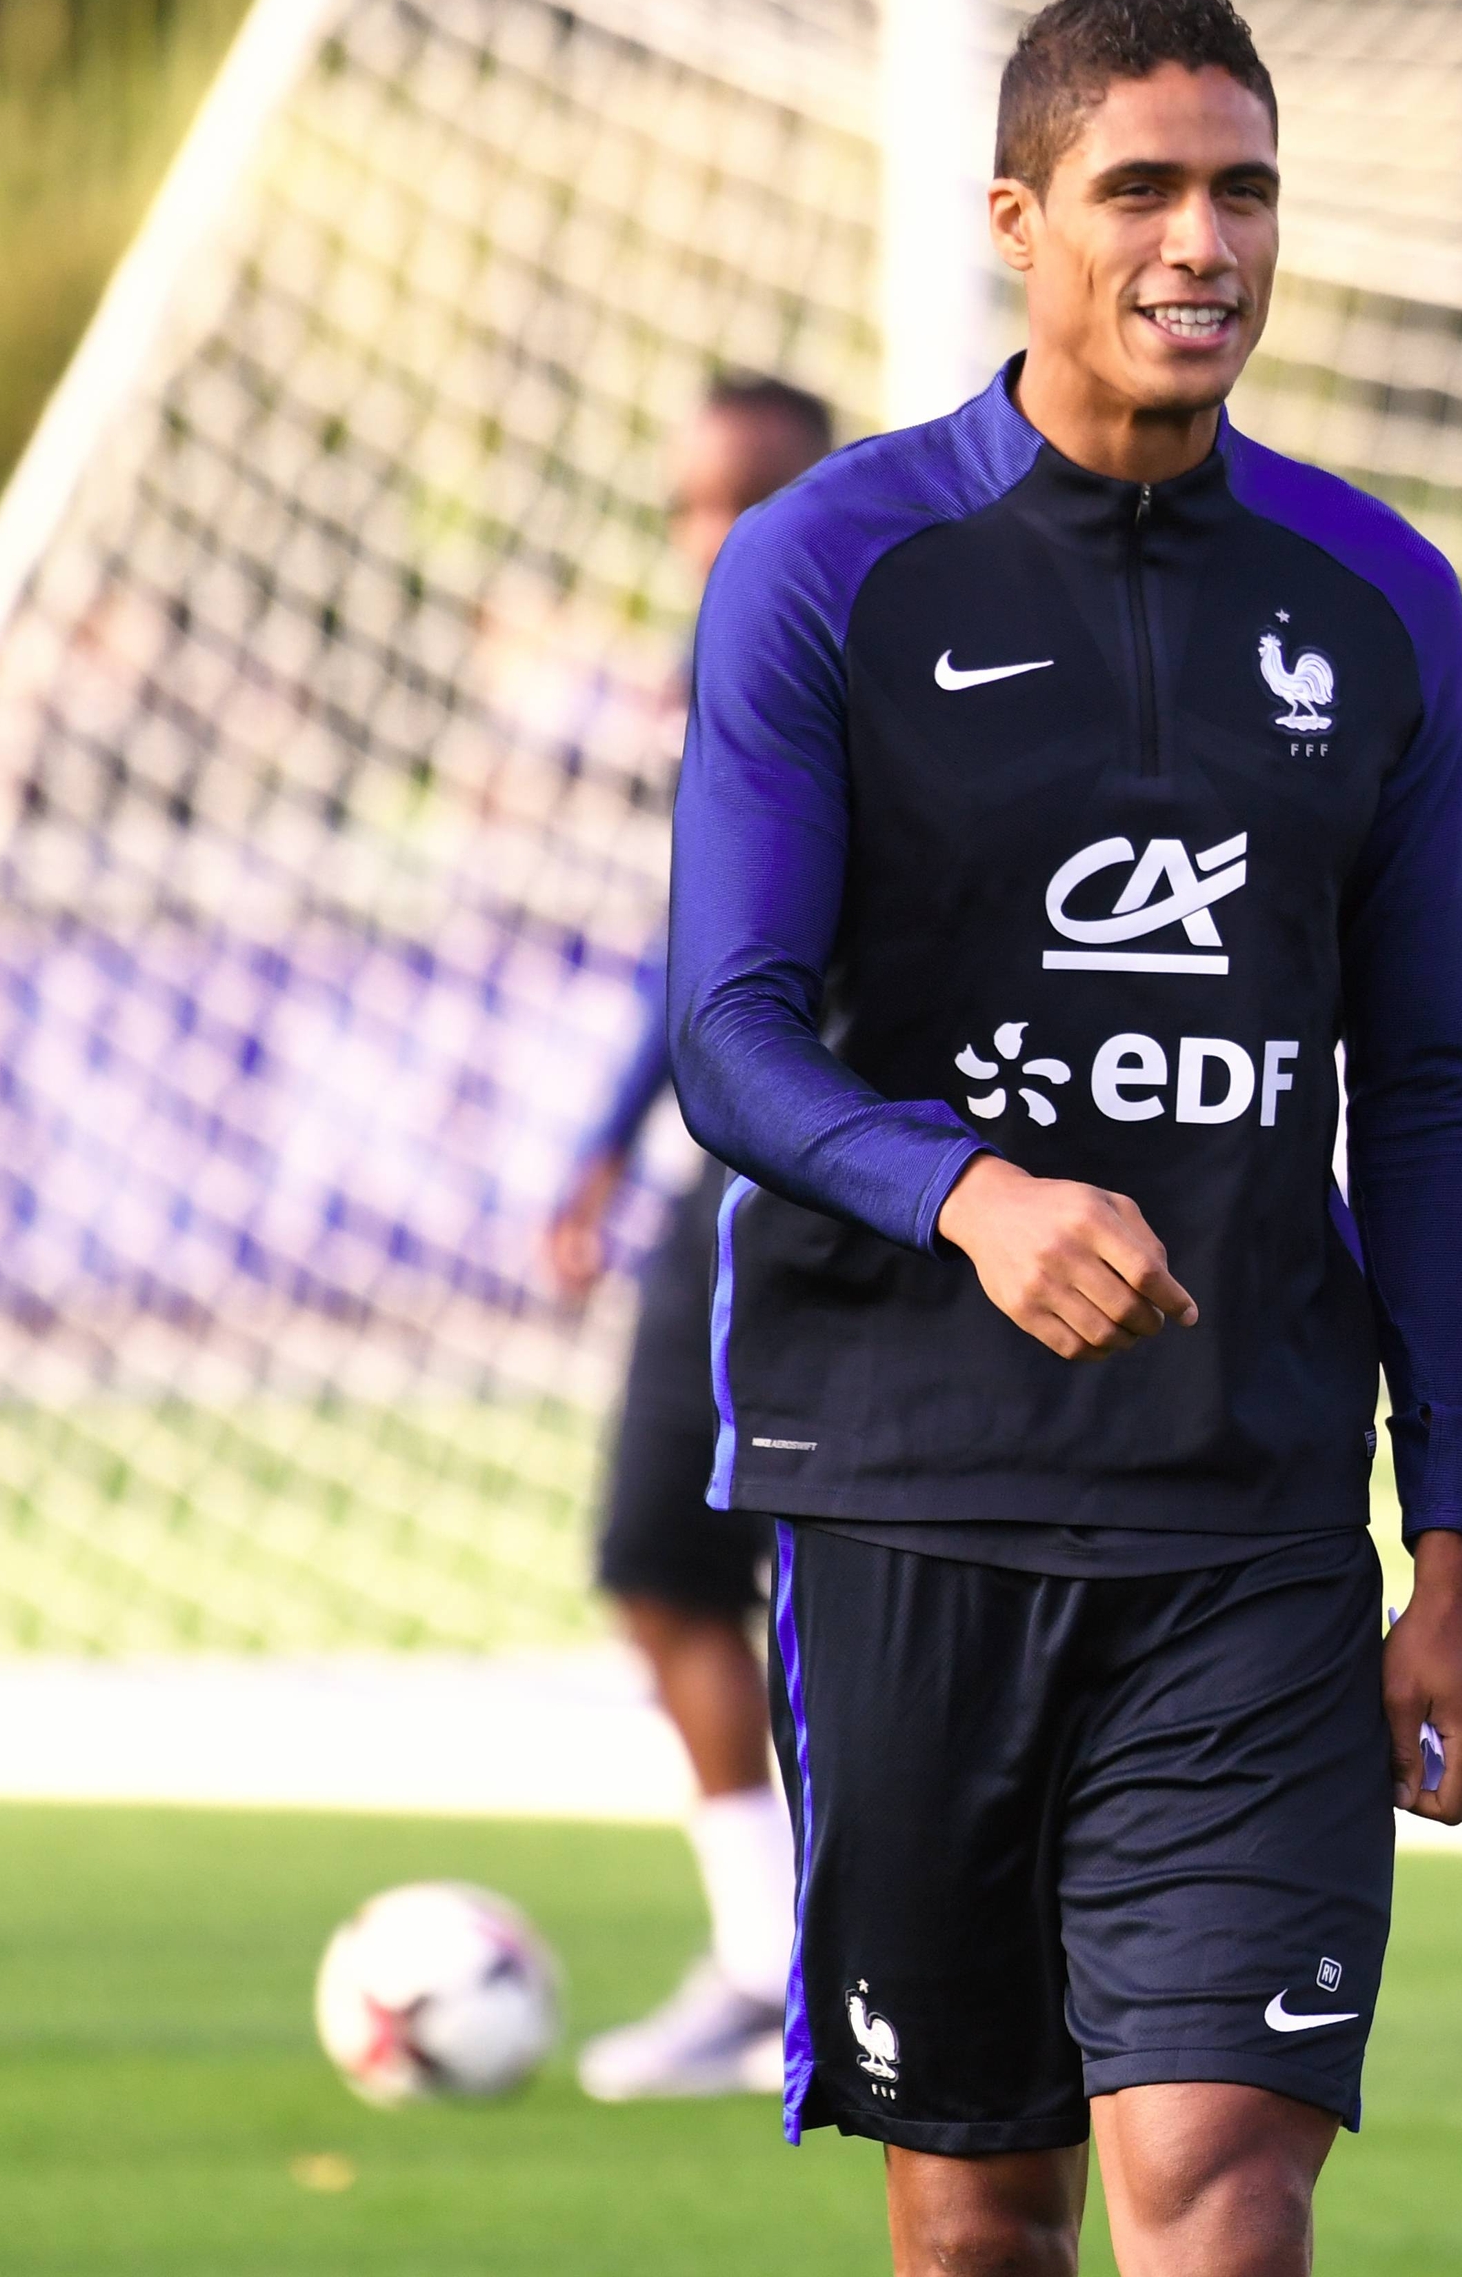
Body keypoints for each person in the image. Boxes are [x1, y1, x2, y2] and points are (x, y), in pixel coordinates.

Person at [668, 0, 1462, 2277]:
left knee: (1221, 2191)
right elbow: (726, 1032)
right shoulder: (829, 564)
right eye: (1142, 187)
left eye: (1246, 189)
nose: (1202, 240)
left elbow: (1422, 1096)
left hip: (1246, 1527)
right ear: (1018, 221)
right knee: (975, 2225)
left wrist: (1453, 1541)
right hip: (907, 1499)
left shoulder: (1381, 596)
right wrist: (971, 1188)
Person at [547, 372, 838, 2103]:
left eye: (744, 499)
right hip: (713, 1186)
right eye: (688, 506)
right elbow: (702, 959)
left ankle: (820, 1967)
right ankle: (764, 1957)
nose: (709, 538)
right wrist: (600, 1150)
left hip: (848, 1193)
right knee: (660, 1572)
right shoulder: (708, 687)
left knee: (837, 1591)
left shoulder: (876, 655)